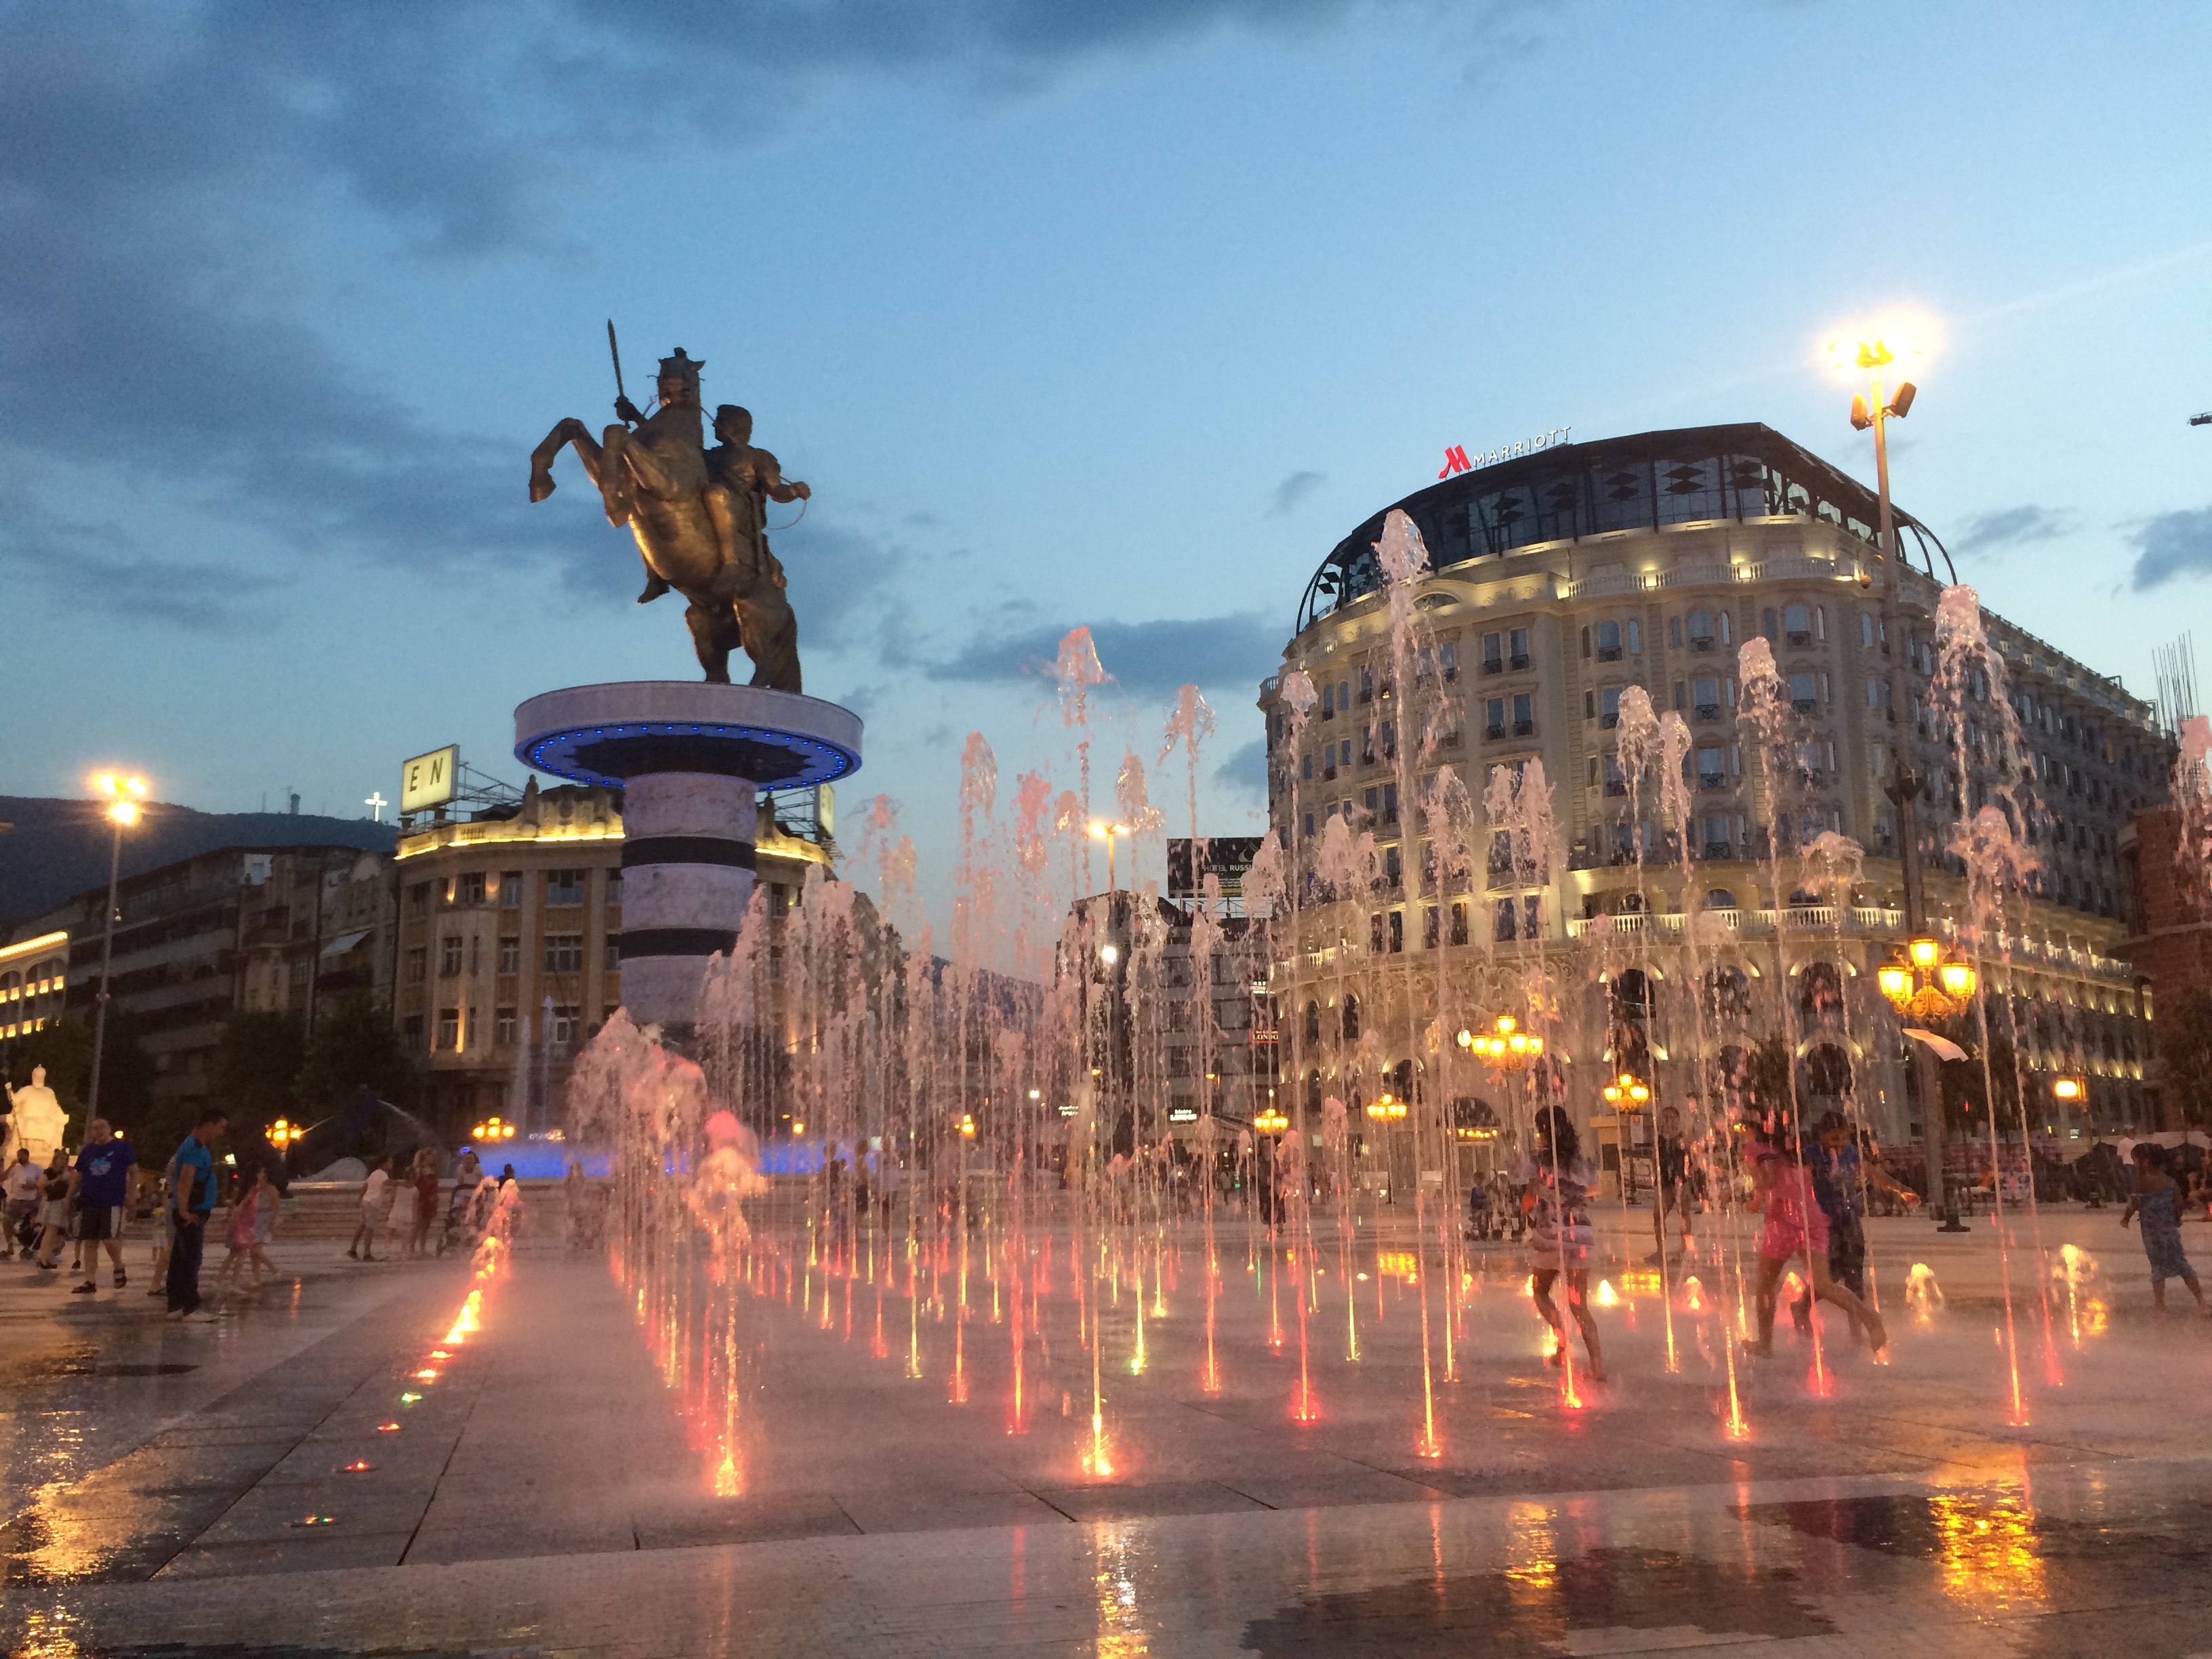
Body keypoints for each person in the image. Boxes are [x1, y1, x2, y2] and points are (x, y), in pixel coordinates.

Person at [1744, 1143, 1887, 1357]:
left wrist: (1749, 1193)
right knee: (1823, 1283)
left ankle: (1765, 1343)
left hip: (1783, 1222)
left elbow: (1768, 1182)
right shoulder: (1797, 1149)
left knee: (1766, 1284)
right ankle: (1870, 1317)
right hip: (1812, 1219)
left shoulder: (1757, 1149)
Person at [1792, 1111, 1918, 1335]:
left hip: (1850, 1222)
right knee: (1828, 1278)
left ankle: (1856, 1333)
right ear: (1821, 1136)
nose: (1839, 1144)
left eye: (1843, 1138)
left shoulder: (1851, 1154)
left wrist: (1902, 1189)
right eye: (1834, 1139)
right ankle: (1802, 1306)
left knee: (1855, 1276)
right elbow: (1793, 1181)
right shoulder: (1810, 1156)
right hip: (1822, 1225)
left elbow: (1874, 1174)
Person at [1518, 1105, 1606, 1383]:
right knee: (1579, 1304)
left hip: (1551, 1235)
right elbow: (1595, 1189)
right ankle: (1597, 1365)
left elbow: (1529, 1199)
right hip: (1580, 1234)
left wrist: (1527, 1206)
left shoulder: (1540, 1162)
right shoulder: (1582, 1162)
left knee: (1540, 1289)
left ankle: (1561, 1337)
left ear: (1542, 1131)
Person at [2122, 1143, 2209, 1317]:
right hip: (2169, 1230)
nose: (2135, 1166)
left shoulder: (2141, 1181)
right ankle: (2202, 1302)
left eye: (2136, 1161)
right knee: (2182, 1264)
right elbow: (2179, 1205)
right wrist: (2176, 1219)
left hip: (2151, 1231)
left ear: (2145, 1162)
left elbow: (2135, 1203)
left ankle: (2160, 1306)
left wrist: (2126, 1218)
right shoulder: (2170, 1181)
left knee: (2158, 1266)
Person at [165, 1108, 227, 1321]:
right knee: (191, 1258)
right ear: (208, 1124)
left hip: (189, 1209)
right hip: (192, 1211)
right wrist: (184, 1211)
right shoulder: (195, 1147)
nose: (220, 1132)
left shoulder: (191, 1145)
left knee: (180, 1258)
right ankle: (191, 1307)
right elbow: (186, 1179)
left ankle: (176, 1304)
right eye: (220, 1127)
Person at [69, 1118, 137, 1294]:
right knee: (90, 1241)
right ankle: (90, 1281)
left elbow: (134, 1171)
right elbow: (78, 1175)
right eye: (94, 1129)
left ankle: (118, 1265)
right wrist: (68, 1196)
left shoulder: (122, 1148)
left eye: (101, 1128)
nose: (98, 1131)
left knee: (109, 1237)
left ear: (109, 1129)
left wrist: (131, 1196)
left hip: (112, 1200)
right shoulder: (88, 1151)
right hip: (89, 1200)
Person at [1651, 1104, 1696, 1263]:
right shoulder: (1659, 1139)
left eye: (1672, 1117)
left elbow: (1692, 1160)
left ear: (1677, 1119)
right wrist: (1656, 1180)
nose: (1668, 1120)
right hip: (1665, 1183)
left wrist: (1689, 1179)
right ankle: (1660, 1251)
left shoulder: (1683, 1138)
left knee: (1683, 1215)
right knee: (1658, 1216)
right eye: (1665, 1117)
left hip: (1681, 1182)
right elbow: (1655, 1159)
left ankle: (1684, 1251)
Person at [216, 1168, 264, 1294]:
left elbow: (235, 1203)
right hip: (243, 1226)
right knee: (242, 1254)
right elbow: (243, 1202)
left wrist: (228, 1216)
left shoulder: (242, 1189)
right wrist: (238, 1209)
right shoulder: (253, 1189)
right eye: (260, 1173)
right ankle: (233, 1284)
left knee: (233, 1254)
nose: (262, 1175)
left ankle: (219, 1281)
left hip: (239, 1223)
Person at [31, 1147, 71, 1271]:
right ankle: (43, 1258)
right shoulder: (49, 1172)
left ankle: (47, 1257)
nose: (63, 1161)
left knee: (54, 1232)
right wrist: (55, 1181)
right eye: (61, 1158)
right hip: (52, 1202)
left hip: (61, 1202)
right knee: (50, 1230)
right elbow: (40, 1185)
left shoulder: (65, 1173)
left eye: (65, 1159)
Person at [347, 1155, 393, 1261]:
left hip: (366, 1201)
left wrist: (359, 1200)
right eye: (390, 1163)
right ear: (384, 1163)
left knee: (363, 1226)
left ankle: (353, 1249)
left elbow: (365, 1187)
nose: (391, 1165)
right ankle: (367, 1254)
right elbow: (387, 1183)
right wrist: (402, 1183)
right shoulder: (383, 1174)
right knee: (370, 1229)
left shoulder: (374, 1173)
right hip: (373, 1204)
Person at [8, 1145, 45, 1257]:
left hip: (29, 1200)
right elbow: (4, 1177)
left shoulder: (36, 1168)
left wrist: (32, 1186)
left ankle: (26, 1247)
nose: (20, 1158)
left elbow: (42, 1183)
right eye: (18, 1155)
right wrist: (11, 1166)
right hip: (16, 1199)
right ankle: (10, 1245)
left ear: (27, 1156)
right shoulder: (15, 1168)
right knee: (7, 1221)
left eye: (22, 1155)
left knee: (27, 1225)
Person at [407, 1151, 439, 1257]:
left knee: (426, 1226)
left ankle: (422, 1248)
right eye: (430, 1156)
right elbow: (413, 1184)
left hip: (431, 1199)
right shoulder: (419, 1171)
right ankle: (411, 1249)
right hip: (422, 1199)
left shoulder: (432, 1170)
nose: (433, 1159)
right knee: (418, 1225)